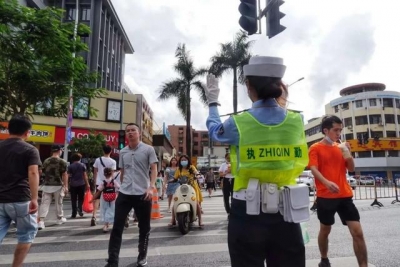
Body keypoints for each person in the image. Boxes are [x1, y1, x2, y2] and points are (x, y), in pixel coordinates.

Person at [206, 56, 309, 267]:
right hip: (287, 211)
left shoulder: (238, 123)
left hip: (247, 211)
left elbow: (215, 132)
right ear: (280, 86)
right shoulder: (296, 120)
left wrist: (213, 102)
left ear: (248, 86)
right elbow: (276, 119)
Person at [308, 115, 368, 267]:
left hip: (344, 195)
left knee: (357, 232)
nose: (338, 133)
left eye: (340, 130)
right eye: (335, 130)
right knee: (325, 229)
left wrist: (348, 154)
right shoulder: (315, 148)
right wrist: (326, 182)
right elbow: (313, 168)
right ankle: (324, 258)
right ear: (325, 130)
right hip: (325, 196)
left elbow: (352, 169)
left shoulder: (340, 147)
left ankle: (363, 265)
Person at [105, 123, 158, 267]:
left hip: (143, 193)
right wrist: (121, 187)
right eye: (127, 131)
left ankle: (142, 255)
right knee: (117, 227)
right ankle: (112, 261)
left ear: (139, 133)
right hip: (125, 193)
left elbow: (154, 169)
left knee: (144, 227)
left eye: (133, 130)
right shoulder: (123, 152)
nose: (130, 133)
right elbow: (122, 171)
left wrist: (151, 187)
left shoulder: (148, 149)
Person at [0, 115, 41, 267]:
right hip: (20, 199)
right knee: (26, 235)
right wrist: (35, 198)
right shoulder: (30, 150)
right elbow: (33, 173)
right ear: (27, 132)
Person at [168, 155, 204, 228]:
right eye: (182, 160)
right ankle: (173, 220)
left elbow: (196, 172)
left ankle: (200, 220)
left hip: (192, 187)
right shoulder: (179, 169)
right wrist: (171, 180)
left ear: (188, 160)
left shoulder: (191, 167)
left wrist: (197, 175)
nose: (183, 161)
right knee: (176, 202)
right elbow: (175, 178)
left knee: (196, 203)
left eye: (185, 160)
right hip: (182, 188)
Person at [38, 145, 68, 229]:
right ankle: (59, 218)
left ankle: (41, 221)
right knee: (58, 203)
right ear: (59, 151)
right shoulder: (62, 162)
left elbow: (41, 172)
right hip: (58, 185)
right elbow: (65, 175)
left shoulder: (46, 161)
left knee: (44, 203)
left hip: (47, 185)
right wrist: (66, 186)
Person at [91, 145, 117, 226]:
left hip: (99, 182)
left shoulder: (98, 160)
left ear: (103, 151)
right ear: (111, 152)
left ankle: (94, 216)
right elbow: (112, 174)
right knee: (108, 201)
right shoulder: (113, 161)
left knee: (97, 200)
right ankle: (107, 221)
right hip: (108, 183)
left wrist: (95, 181)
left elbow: (95, 172)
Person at [91, 167, 120, 233]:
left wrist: (93, 198)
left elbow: (98, 191)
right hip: (113, 198)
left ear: (104, 174)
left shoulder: (103, 183)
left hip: (104, 199)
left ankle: (106, 224)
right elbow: (119, 188)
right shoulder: (114, 181)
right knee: (111, 210)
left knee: (105, 210)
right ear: (112, 173)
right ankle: (107, 225)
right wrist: (118, 194)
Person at [68, 153, 90, 218]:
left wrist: (67, 184)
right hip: (81, 184)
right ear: (79, 159)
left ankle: (73, 213)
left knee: (73, 199)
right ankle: (79, 208)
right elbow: (85, 175)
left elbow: (68, 176)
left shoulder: (70, 166)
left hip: (73, 184)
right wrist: (87, 184)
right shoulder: (83, 165)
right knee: (81, 198)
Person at [219, 153, 234, 218]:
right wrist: (226, 172)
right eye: (228, 158)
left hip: (234, 180)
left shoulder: (235, 164)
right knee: (226, 197)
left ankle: (233, 211)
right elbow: (220, 174)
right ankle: (228, 211)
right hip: (226, 180)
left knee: (234, 197)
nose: (229, 159)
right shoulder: (223, 165)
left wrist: (232, 171)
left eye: (230, 157)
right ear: (225, 158)